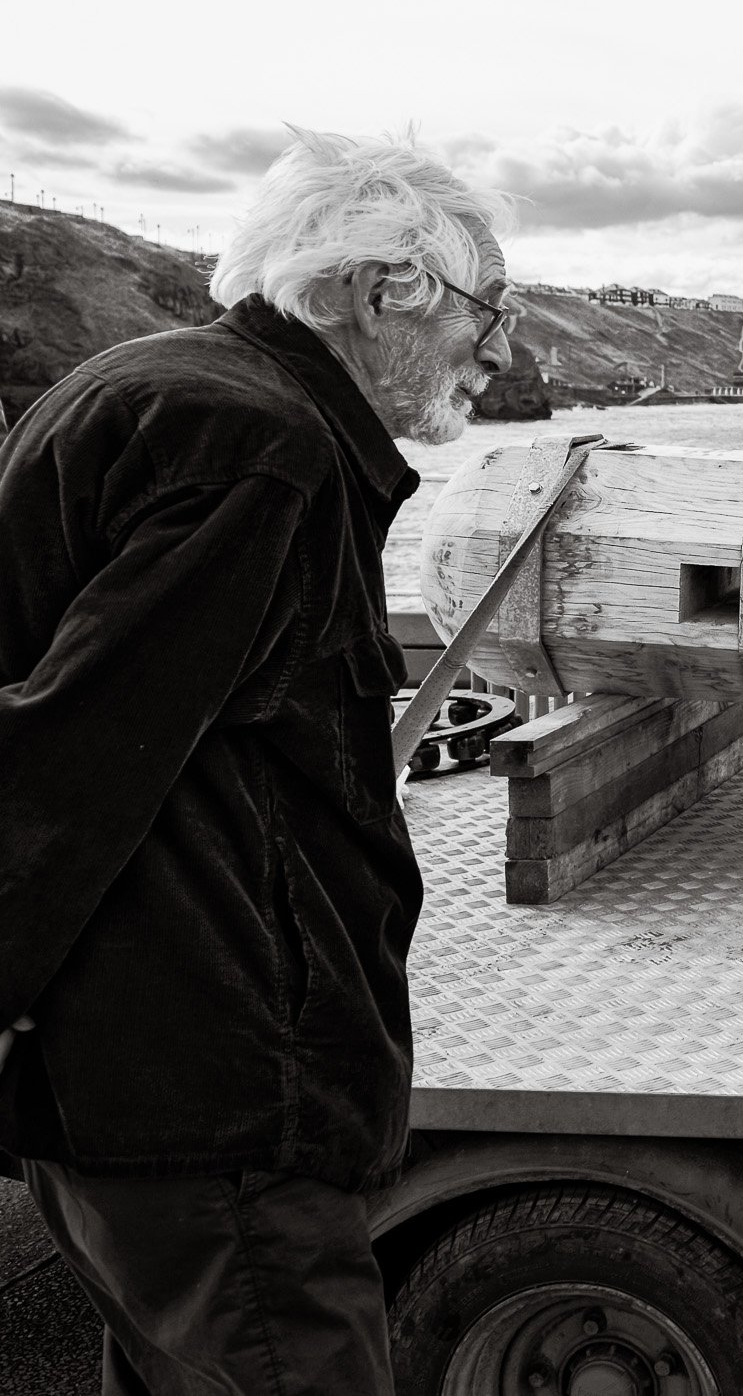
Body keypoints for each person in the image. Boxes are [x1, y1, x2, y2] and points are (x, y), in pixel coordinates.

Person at [0, 128, 520, 1393]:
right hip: (210, 1098)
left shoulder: (161, 388)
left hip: (152, 1091)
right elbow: (72, 762)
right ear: (376, 289)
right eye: (486, 309)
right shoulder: (258, 447)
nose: (499, 350)